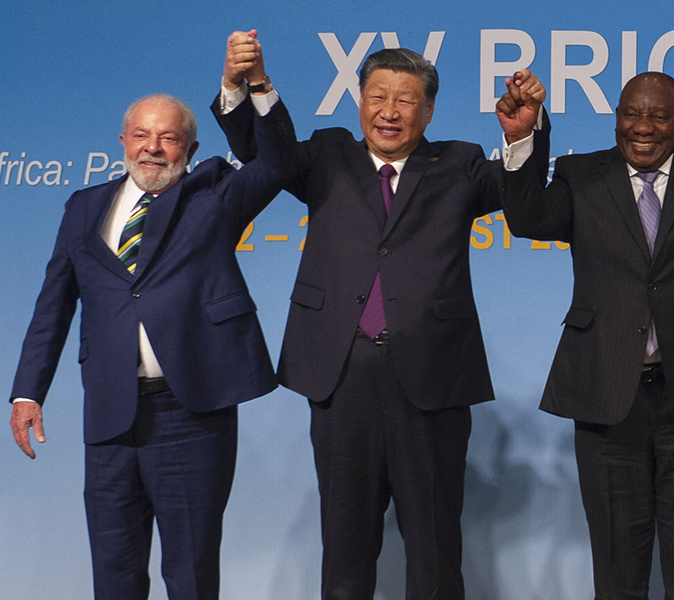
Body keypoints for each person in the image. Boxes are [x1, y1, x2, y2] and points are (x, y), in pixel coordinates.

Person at [212, 42, 540, 600]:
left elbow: (524, 200)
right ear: (360, 101)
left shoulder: (459, 164)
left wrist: (521, 137)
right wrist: (252, 85)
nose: (389, 111)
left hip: (431, 381)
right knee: (345, 555)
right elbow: (263, 153)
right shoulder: (326, 155)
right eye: (377, 96)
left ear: (428, 111)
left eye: (405, 101)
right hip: (341, 378)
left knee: (434, 555)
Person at [494, 39, 674, 600]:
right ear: (616, 119)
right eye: (632, 114)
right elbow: (527, 218)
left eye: (659, 117)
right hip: (607, 394)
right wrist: (522, 139)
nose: (643, 127)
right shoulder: (582, 175)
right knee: (616, 568)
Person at [8, 33, 293, 599]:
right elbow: (53, 304)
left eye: (168, 137)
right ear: (122, 141)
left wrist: (251, 84)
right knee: (113, 572)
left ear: (189, 147)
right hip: (110, 412)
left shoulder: (213, 196)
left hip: (190, 411)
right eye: (141, 135)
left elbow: (280, 163)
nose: (153, 149)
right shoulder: (83, 207)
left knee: (190, 574)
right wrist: (27, 392)